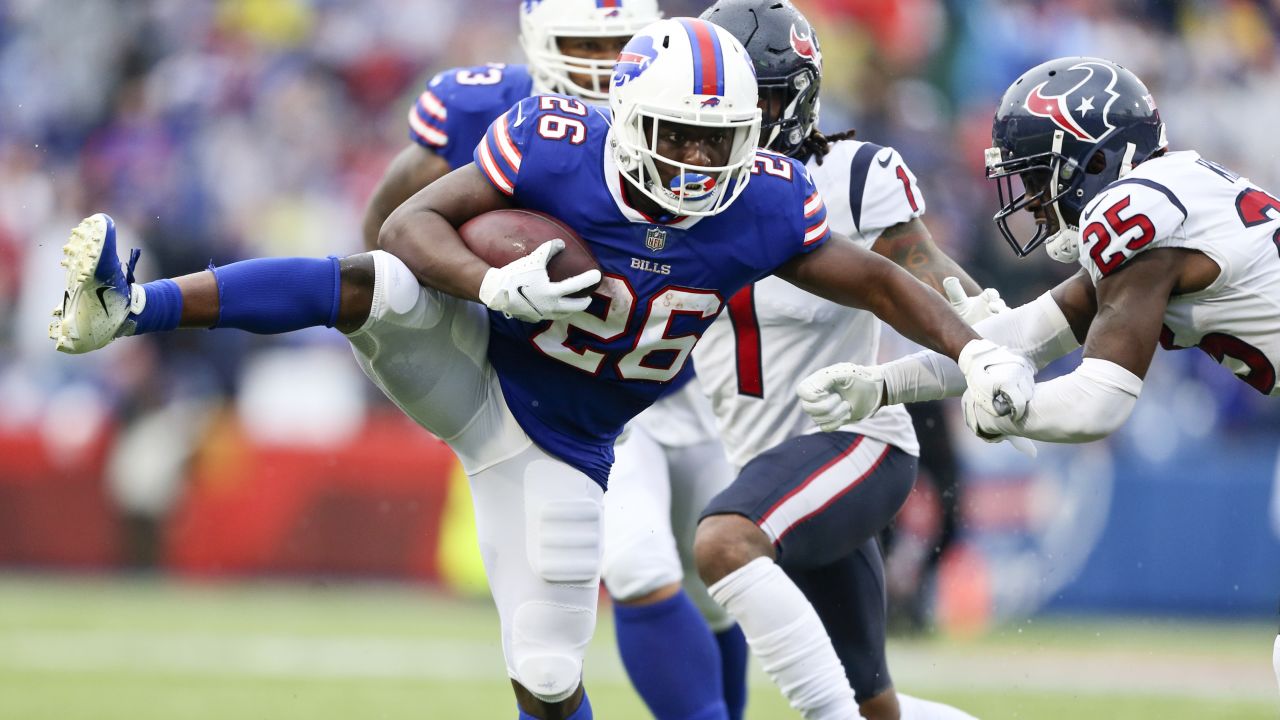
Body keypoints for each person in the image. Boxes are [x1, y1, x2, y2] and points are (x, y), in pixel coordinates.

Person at [50, 18, 1036, 720]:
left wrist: (976, 346)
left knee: (549, 674)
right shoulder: (554, 141)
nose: (695, 162)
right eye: (677, 136)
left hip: (559, 445)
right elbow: (405, 222)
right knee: (381, 284)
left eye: (716, 141)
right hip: (473, 359)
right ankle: (134, 306)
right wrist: (492, 287)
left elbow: (874, 280)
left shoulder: (763, 203)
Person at [794, 56, 1280, 694]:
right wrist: (884, 383)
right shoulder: (1173, 197)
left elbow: (1097, 406)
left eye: (1036, 175)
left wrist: (1009, 409)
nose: (1029, 199)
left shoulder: (1136, 214)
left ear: (1094, 160)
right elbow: (1014, 340)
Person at [359, 1, 752, 715]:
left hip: (683, 371)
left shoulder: (697, 117)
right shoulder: (488, 110)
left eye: (617, 45)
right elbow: (387, 224)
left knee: (718, 591)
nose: (601, 64)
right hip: (571, 384)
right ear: (538, 41)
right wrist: (452, 313)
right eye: (581, 43)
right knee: (634, 567)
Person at [656, 2, 985, 718]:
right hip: (768, 468)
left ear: (798, 98)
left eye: (761, 97)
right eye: (724, 100)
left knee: (724, 543)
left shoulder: (851, 174)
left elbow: (945, 291)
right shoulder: (667, 184)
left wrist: (995, 334)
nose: (740, 117)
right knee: (877, 708)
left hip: (857, 445)